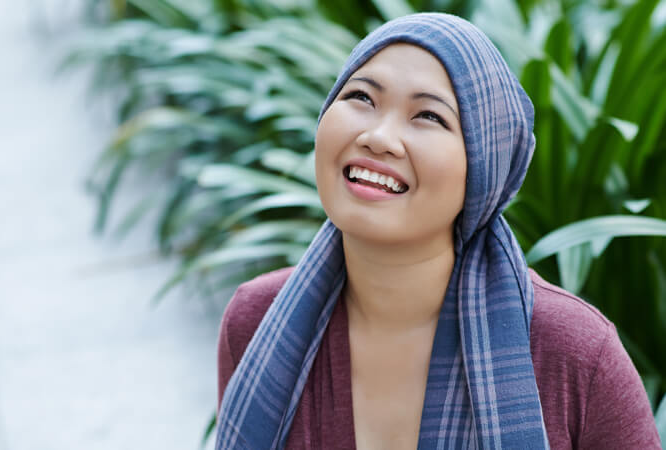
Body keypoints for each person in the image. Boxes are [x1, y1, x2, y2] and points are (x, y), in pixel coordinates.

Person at [214, 12, 661, 449]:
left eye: (428, 116)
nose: (379, 136)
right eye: (361, 98)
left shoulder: (575, 354)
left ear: (482, 170)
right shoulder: (256, 320)